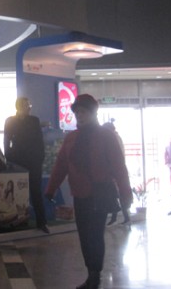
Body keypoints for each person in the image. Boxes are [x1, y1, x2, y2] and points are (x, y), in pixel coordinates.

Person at [44, 94, 132, 289]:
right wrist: (51, 189)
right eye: (77, 112)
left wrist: (126, 193)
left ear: (93, 113)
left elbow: (119, 167)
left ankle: (94, 276)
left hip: (99, 194)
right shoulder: (71, 138)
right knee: (84, 235)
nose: (79, 115)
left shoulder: (106, 136)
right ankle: (91, 273)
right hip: (80, 195)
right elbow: (61, 165)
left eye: (83, 112)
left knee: (94, 235)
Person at [3, 97, 49, 233]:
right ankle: (16, 221)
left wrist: (41, 157)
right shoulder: (10, 120)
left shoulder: (34, 120)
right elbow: (6, 140)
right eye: (26, 105)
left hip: (33, 160)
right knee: (16, 190)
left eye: (29, 105)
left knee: (36, 191)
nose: (29, 107)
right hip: (17, 159)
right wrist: (8, 158)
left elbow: (39, 140)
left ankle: (41, 222)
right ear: (19, 107)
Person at [102, 121, 130, 226]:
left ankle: (120, 218)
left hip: (115, 171)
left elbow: (114, 156)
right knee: (115, 194)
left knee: (114, 194)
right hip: (118, 170)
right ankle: (120, 218)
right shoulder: (117, 137)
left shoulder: (113, 138)